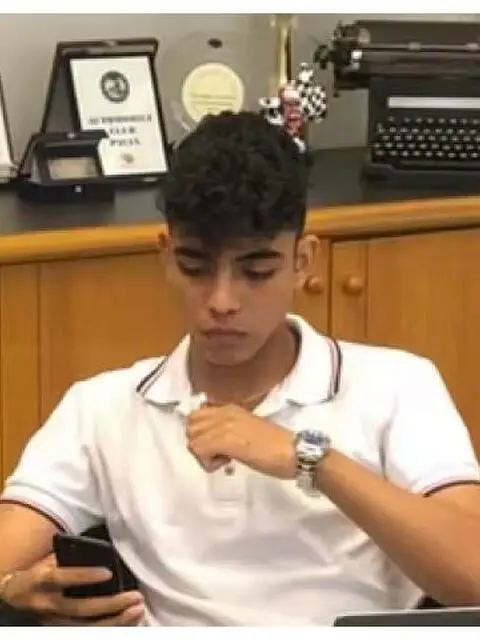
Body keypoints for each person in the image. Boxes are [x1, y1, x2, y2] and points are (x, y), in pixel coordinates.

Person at [1, 111, 480, 627]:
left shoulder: (397, 385)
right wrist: (14, 588)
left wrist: (311, 460)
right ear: (165, 255)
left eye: (257, 272)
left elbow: (472, 575)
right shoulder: (101, 408)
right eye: (195, 267)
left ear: (302, 260)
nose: (222, 301)